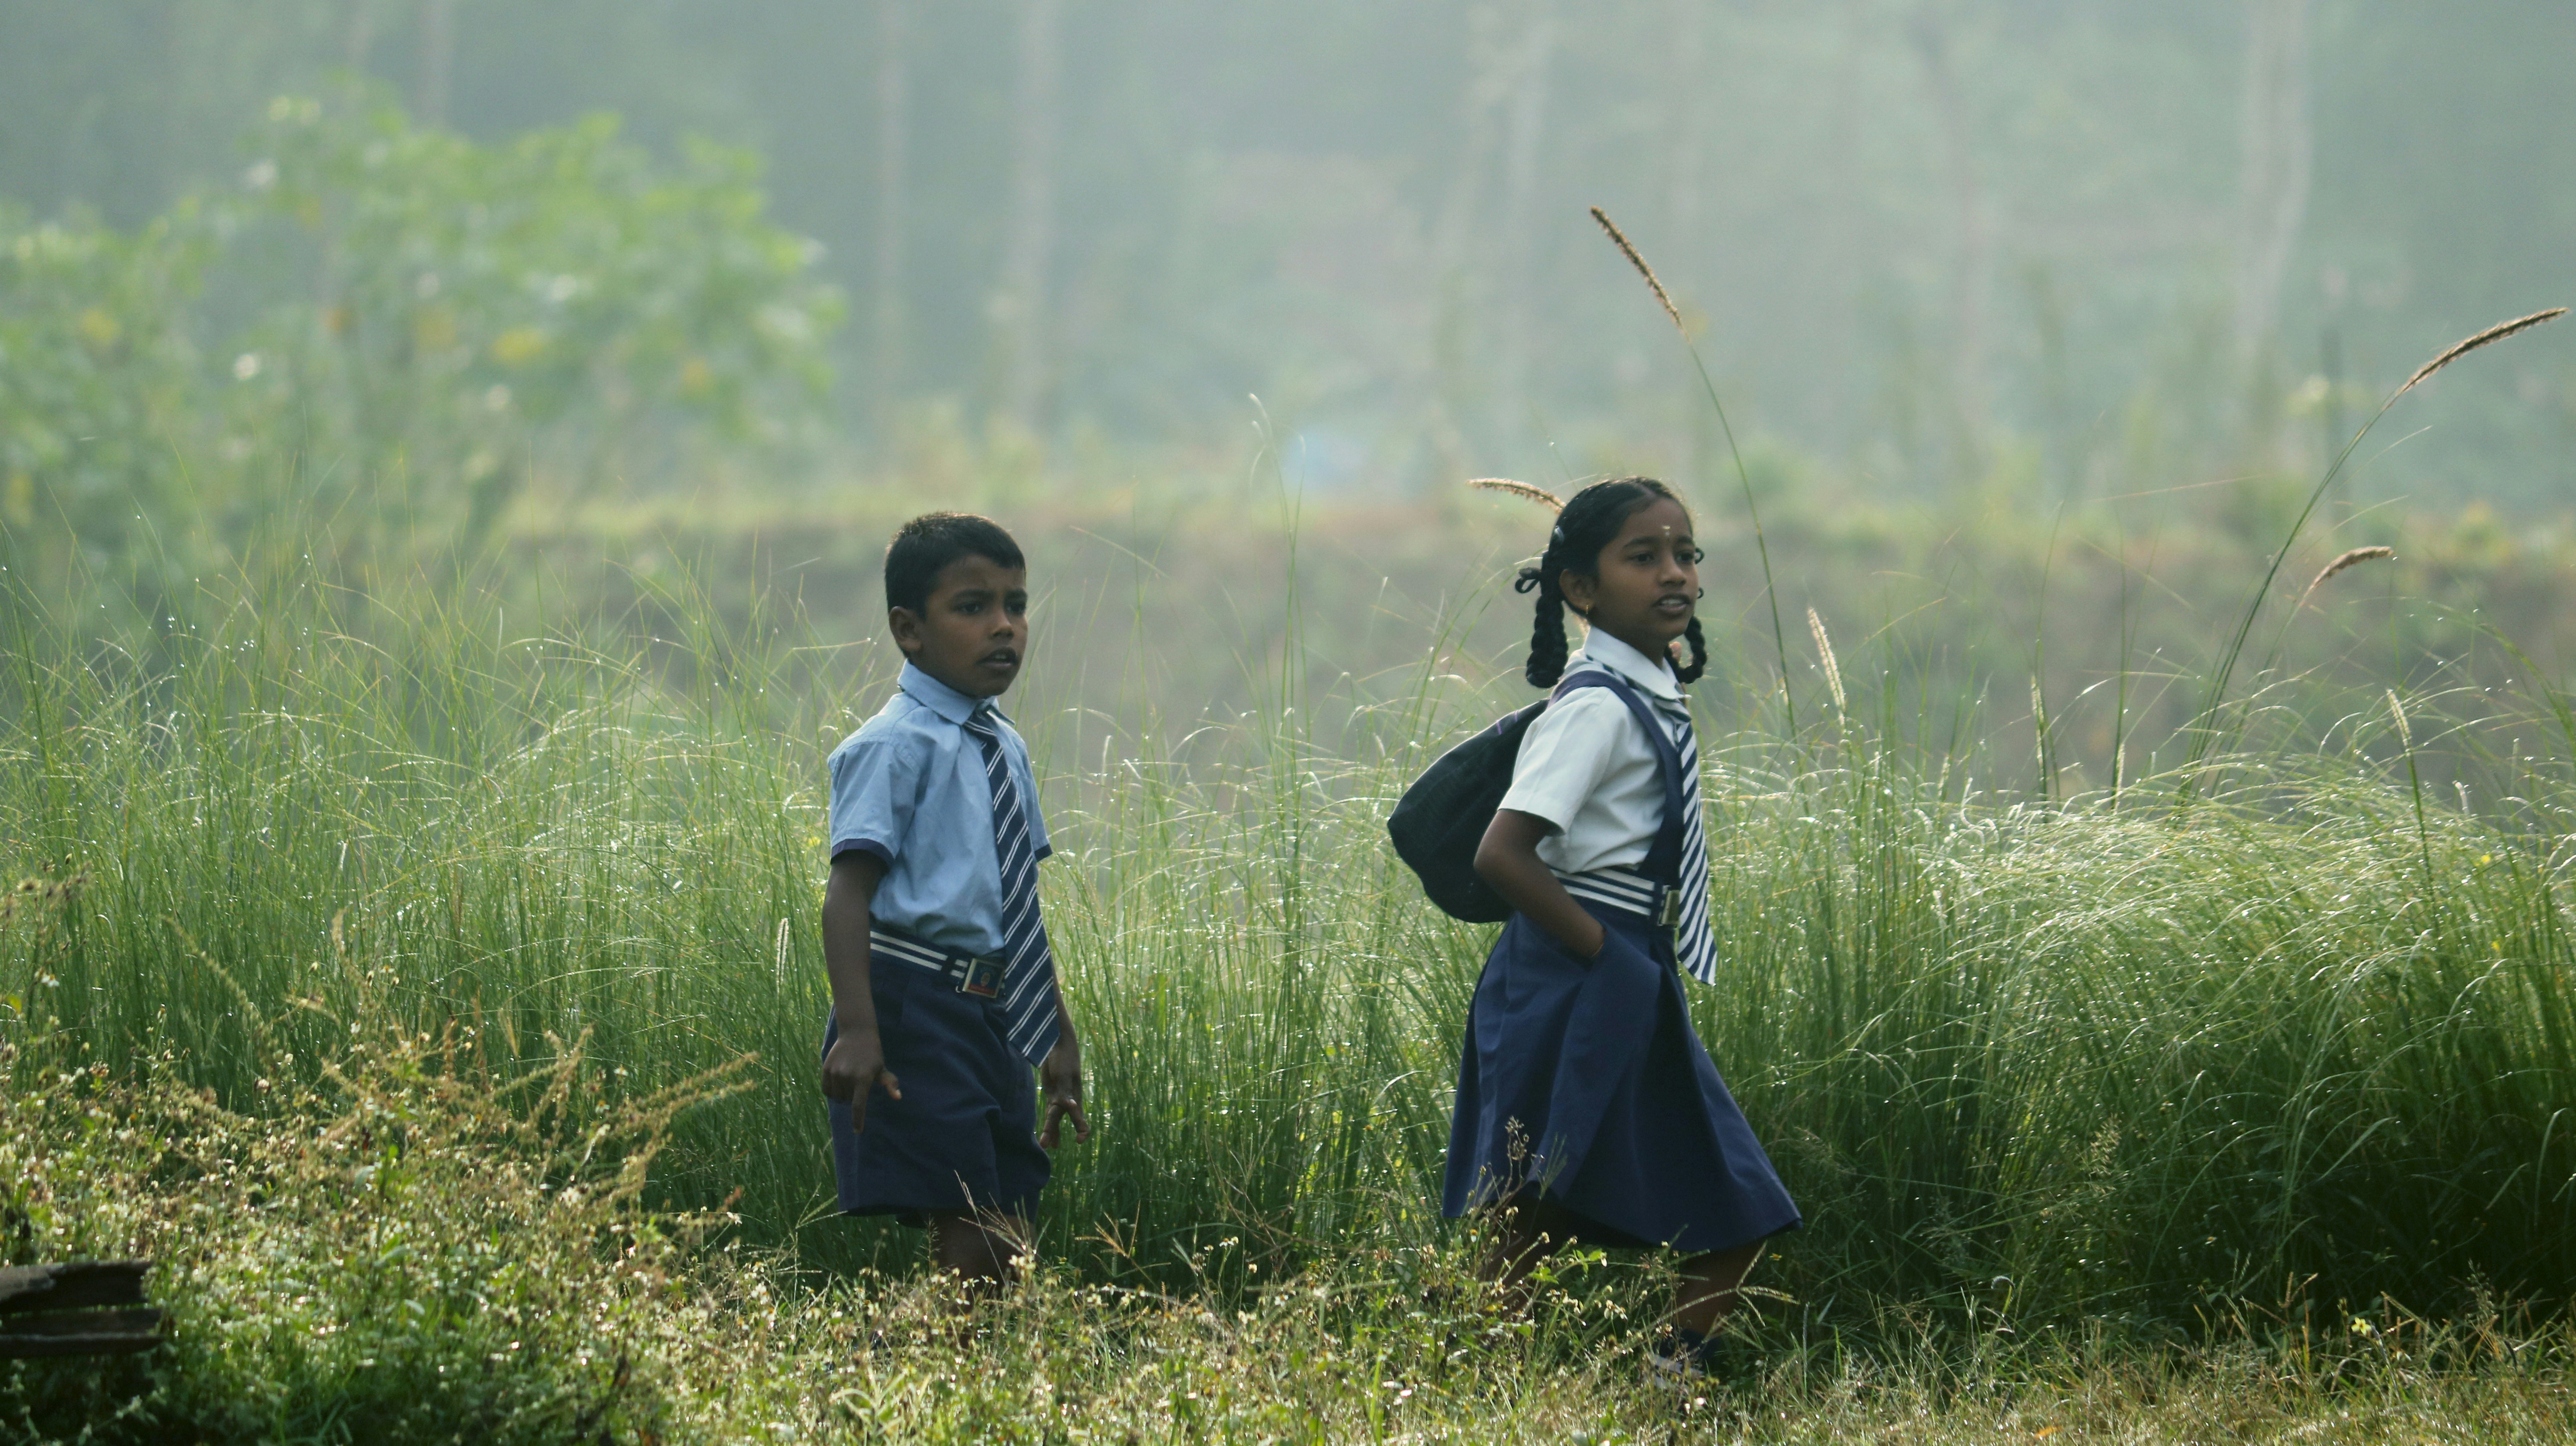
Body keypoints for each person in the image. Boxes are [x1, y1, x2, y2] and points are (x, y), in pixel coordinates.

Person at [1443, 477, 1799, 1376]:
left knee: (1722, 1199)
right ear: (1581, 588)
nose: (1674, 573)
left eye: (1686, 554)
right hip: (1577, 965)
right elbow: (1503, 853)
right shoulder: (1596, 704)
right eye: (1643, 557)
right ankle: (1496, 1390)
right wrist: (1608, 955)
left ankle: (1662, 1376)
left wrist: (1632, 964)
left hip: (1623, 962)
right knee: (1527, 1207)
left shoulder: (1645, 695)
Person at [819, 511, 1088, 1282]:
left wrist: (1055, 1037)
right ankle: (896, 1386)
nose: (1004, 627)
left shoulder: (1003, 744)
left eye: (1016, 605)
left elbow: (1017, 909)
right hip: (913, 1005)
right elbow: (846, 897)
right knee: (969, 1229)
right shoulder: (889, 747)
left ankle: (933, 1385)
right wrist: (861, 1031)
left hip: (995, 1010)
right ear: (910, 630)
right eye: (973, 608)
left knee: (1007, 1231)